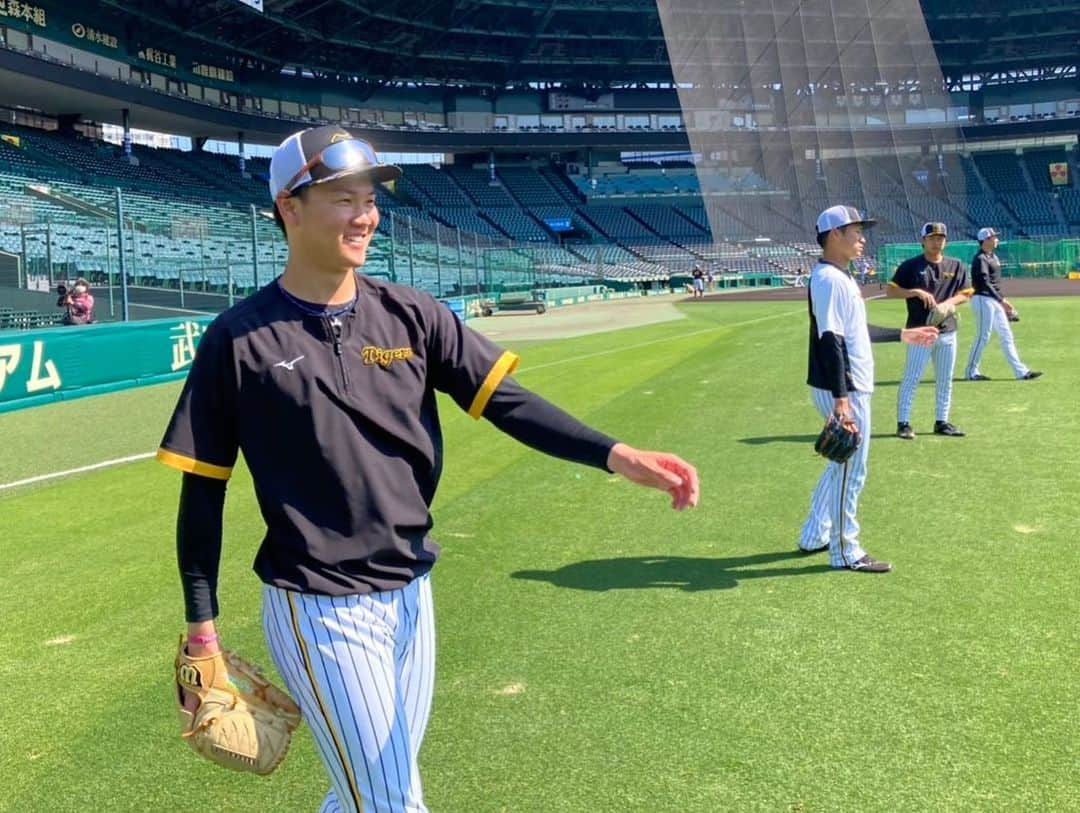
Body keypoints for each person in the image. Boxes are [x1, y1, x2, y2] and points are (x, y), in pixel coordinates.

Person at [157, 125, 699, 813]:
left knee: (376, 791)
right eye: (343, 198)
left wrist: (616, 455)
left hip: (411, 592)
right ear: (289, 208)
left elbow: (507, 402)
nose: (365, 215)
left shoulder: (410, 314)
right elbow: (202, 491)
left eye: (371, 199)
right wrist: (201, 628)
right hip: (319, 604)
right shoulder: (238, 339)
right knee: (390, 800)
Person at [799, 205, 939, 572]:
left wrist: (902, 335)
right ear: (834, 235)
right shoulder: (828, 279)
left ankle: (815, 534)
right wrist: (842, 400)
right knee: (852, 469)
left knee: (840, 465)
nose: (862, 238)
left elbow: (855, 333)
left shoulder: (839, 277)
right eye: (855, 231)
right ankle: (845, 551)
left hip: (846, 385)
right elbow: (829, 340)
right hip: (844, 388)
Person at [887, 222, 973, 440]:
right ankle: (903, 423)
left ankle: (941, 421)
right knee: (912, 378)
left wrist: (949, 304)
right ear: (923, 241)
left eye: (941, 238)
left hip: (947, 330)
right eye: (932, 238)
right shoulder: (910, 266)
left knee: (945, 379)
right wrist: (914, 292)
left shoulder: (955, 265)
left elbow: (967, 292)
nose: (937, 242)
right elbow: (891, 291)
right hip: (919, 331)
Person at [963, 227, 1042, 382]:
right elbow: (985, 283)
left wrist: (1000, 301)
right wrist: (1002, 300)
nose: (996, 239)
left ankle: (1021, 372)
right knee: (982, 336)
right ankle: (971, 372)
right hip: (982, 299)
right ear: (985, 240)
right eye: (993, 237)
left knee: (1007, 335)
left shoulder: (992, 256)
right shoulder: (980, 259)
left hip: (992, 300)